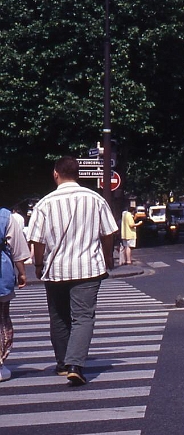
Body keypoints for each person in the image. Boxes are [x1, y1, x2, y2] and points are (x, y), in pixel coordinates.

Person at [26, 156, 117, 386]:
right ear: (78, 174)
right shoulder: (95, 199)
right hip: (88, 268)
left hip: (55, 268)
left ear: (56, 174)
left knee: (58, 317)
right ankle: (75, 364)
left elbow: (37, 240)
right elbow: (108, 233)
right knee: (83, 317)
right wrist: (108, 257)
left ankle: (62, 363)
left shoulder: (44, 204)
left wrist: (38, 265)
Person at [1, 207, 31, 382]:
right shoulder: (5, 216)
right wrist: (22, 273)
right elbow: (17, 249)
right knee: (2, 319)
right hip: (1, 274)